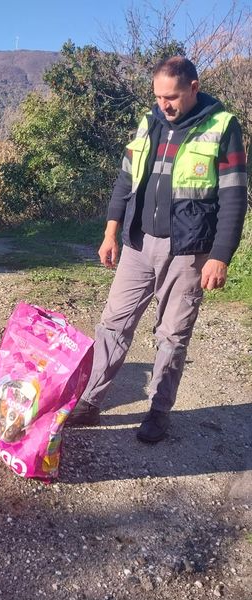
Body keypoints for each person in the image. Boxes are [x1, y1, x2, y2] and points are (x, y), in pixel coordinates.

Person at [66, 56, 248, 442]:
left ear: (193, 88)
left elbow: (234, 196)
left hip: (188, 251)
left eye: (173, 97)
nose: (164, 104)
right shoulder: (149, 123)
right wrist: (111, 232)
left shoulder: (222, 126)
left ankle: (158, 412)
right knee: (113, 324)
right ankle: (90, 401)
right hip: (137, 243)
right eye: (159, 96)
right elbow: (125, 180)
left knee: (172, 335)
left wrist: (220, 255)